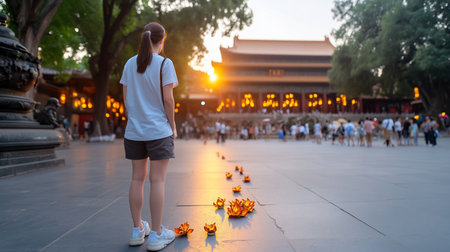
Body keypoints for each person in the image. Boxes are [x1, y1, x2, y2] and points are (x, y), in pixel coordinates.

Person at [120, 22, 176, 251]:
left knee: (136, 179)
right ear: (162, 41)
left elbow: (126, 101)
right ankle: (156, 233)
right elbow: (169, 100)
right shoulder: (165, 63)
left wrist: (135, 120)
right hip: (158, 131)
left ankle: (137, 230)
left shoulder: (129, 64)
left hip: (134, 131)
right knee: (157, 180)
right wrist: (171, 125)